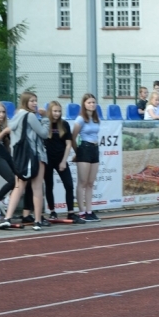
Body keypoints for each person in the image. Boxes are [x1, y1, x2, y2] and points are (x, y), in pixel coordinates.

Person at [0, 91, 49, 230]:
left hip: (20, 157)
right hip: (35, 155)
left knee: (18, 187)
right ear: (26, 102)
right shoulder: (30, 115)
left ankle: (7, 218)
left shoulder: (14, 117)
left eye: (36, 100)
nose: (35, 103)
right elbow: (44, 134)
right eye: (32, 100)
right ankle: (37, 221)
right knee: (37, 188)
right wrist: (45, 118)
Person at [43, 101, 84, 224]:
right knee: (49, 186)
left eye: (59, 111)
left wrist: (63, 161)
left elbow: (68, 144)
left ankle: (71, 212)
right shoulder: (45, 123)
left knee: (69, 185)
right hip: (47, 159)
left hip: (60, 159)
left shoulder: (64, 124)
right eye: (55, 111)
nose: (57, 113)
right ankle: (52, 211)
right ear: (50, 111)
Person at [72, 93, 102, 222]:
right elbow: (73, 137)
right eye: (89, 102)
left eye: (93, 102)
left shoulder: (96, 118)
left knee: (90, 183)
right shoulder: (80, 119)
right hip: (84, 148)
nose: (92, 104)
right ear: (84, 104)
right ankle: (82, 211)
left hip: (95, 149)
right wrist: (77, 152)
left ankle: (89, 210)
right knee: (82, 182)